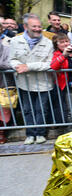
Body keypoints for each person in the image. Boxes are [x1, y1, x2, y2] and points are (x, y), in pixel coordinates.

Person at [8, 14, 54, 144]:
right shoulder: (15, 41)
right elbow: (12, 59)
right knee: (27, 109)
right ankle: (30, 134)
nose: (37, 29)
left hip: (43, 82)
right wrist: (17, 66)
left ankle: (40, 133)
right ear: (25, 26)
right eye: (34, 26)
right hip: (24, 81)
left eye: (39, 26)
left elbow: (49, 63)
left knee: (41, 109)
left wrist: (28, 66)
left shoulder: (48, 42)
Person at [0, 27, 13, 143]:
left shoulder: (7, 44)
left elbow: (9, 63)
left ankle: (2, 133)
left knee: (4, 107)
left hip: (4, 81)